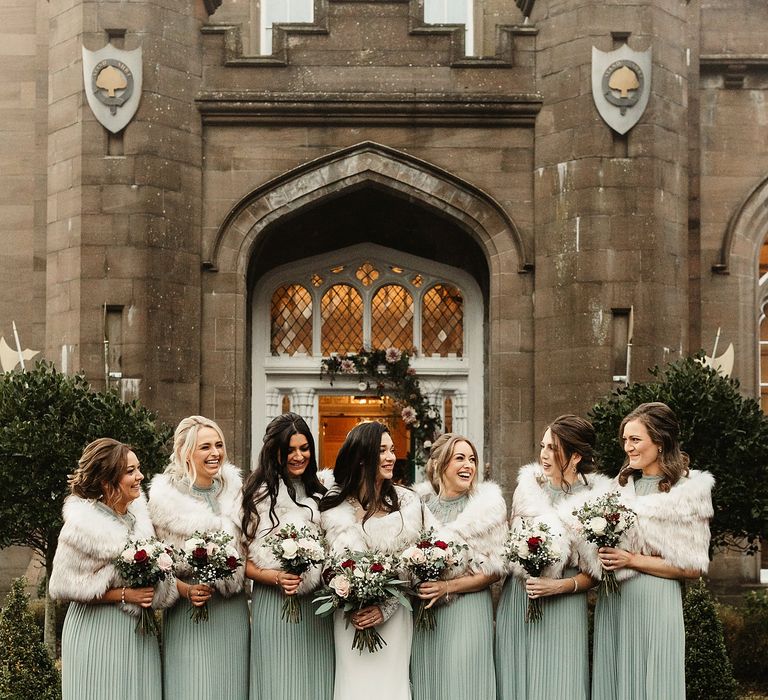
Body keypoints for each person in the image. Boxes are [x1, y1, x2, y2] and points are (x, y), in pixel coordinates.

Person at [590, 402, 714, 700]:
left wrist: (632, 560)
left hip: (655, 604)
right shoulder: (616, 490)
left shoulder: (687, 492)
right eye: (625, 440)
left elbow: (692, 567)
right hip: (614, 603)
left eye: (635, 439)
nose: (627, 447)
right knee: (614, 681)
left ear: (659, 443)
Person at [49, 438, 177, 700]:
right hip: (97, 632)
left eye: (138, 468)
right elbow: (63, 585)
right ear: (107, 482)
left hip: (139, 634)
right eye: (130, 471)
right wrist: (124, 595)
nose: (140, 476)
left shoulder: (140, 519)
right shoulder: (82, 527)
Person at [495, 415, 610, 700]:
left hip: (564, 606)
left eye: (553, 448)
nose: (544, 455)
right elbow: (510, 544)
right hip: (519, 601)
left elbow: (596, 572)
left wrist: (557, 586)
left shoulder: (595, 499)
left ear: (575, 457)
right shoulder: (527, 489)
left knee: (561, 685)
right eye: (543, 446)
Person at [319, 421, 425, 700]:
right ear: (363, 457)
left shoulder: (408, 505)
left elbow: (414, 567)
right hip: (350, 620)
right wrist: (345, 594)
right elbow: (326, 568)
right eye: (382, 450)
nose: (391, 457)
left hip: (394, 619)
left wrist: (384, 609)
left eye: (392, 450)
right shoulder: (335, 507)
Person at [148, 416, 249, 699]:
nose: (215, 453)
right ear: (185, 453)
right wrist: (185, 589)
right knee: (193, 688)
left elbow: (251, 549)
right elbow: (156, 563)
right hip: (187, 613)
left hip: (232, 611)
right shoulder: (163, 503)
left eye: (219, 445)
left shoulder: (238, 495)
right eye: (205, 447)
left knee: (231, 688)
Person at [242, 413, 334, 700]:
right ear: (275, 452)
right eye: (290, 449)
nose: (299, 456)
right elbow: (239, 558)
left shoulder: (323, 492)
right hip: (274, 602)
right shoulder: (256, 494)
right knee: (279, 684)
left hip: (315, 607)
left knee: (315, 684)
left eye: (304, 448)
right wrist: (273, 576)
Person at [410, 433, 507, 700]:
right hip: (425, 614)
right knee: (427, 680)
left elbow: (494, 571)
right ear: (440, 464)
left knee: (463, 684)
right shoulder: (417, 508)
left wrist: (447, 586)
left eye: (472, 459)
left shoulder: (487, 508)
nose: (469, 466)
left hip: (468, 611)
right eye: (460, 458)